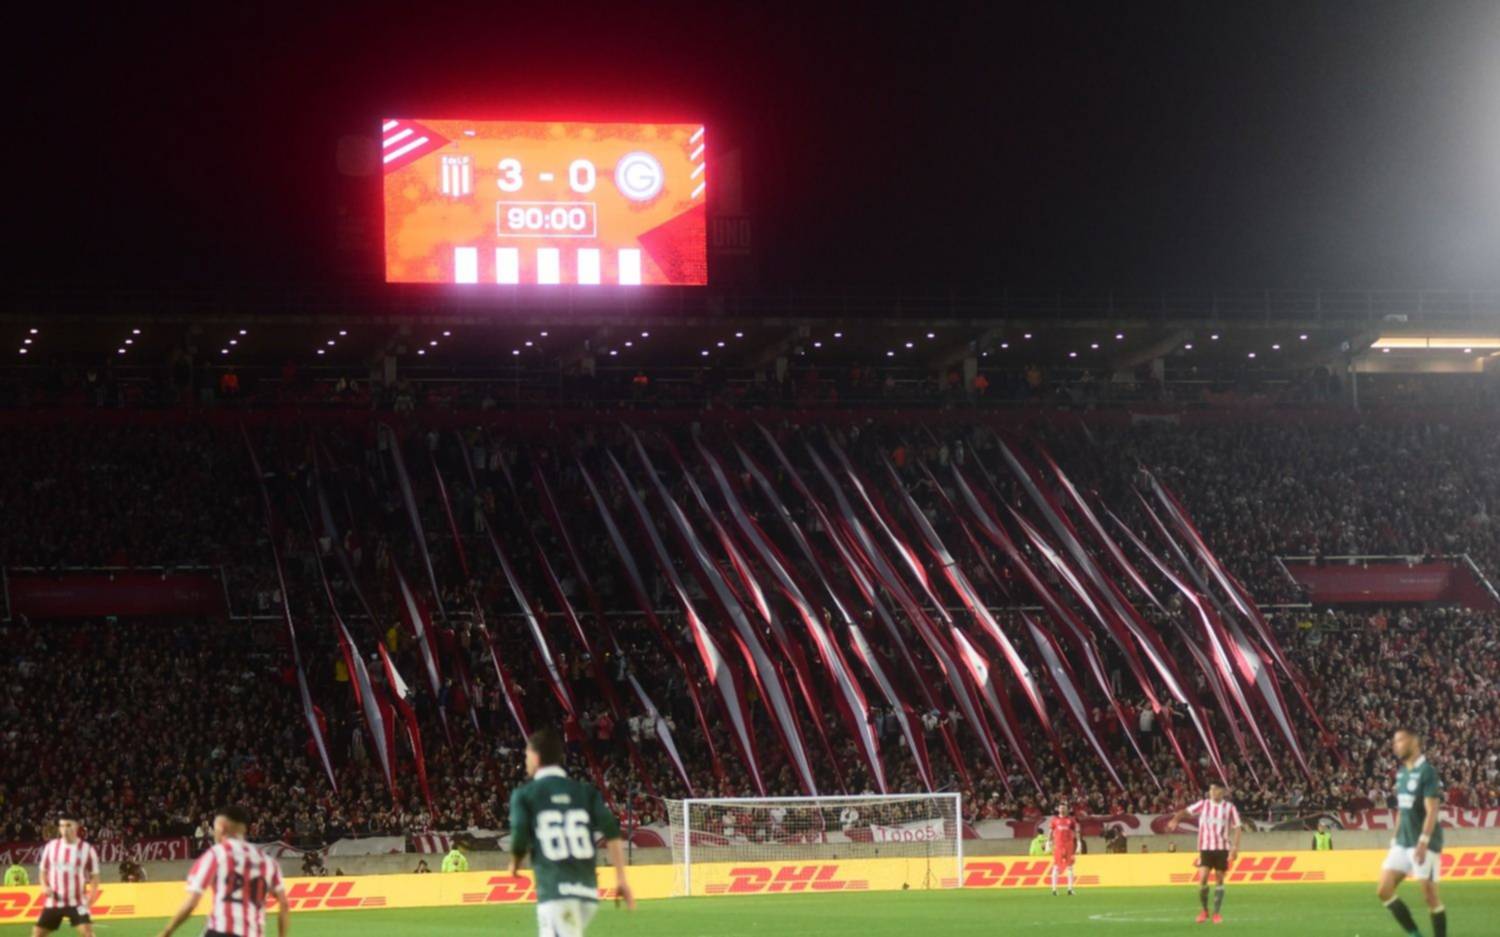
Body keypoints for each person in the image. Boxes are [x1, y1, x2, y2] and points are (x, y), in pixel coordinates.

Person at [508, 727, 634, 937]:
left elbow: (520, 836)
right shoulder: (585, 791)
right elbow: (612, 830)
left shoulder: (525, 795)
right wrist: (621, 878)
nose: (526, 761)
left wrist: (514, 864)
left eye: (527, 756)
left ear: (536, 758)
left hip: (556, 891)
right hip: (587, 893)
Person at [156, 805, 287, 937]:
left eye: (215, 829)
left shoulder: (216, 855)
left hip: (220, 931)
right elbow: (284, 903)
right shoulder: (268, 862)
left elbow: (192, 902)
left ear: (222, 827)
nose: (214, 833)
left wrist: (167, 931)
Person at [1377, 728, 1447, 937]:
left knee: (1429, 897)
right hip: (1402, 842)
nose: (1395, 745)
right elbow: (1402, 810)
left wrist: (1423, 842)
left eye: (1400, 740)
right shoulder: (1401, 773)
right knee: (1384, 890)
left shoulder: (1427, 772)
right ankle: (1416, 935)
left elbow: (1432, 809)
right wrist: (1394, 838)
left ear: (1414, 742)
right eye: (1394, 741)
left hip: (1425, 843)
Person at [1167, 782, 1242, 924]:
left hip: (1222, 848)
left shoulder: (1229, 808)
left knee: (1219, 879)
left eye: (1216, 789)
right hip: (1205, 848)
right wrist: (1175, 819)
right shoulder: (1203, 804)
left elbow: (1238, 828)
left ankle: (1216, 913)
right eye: (1211, 789)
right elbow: (1185, 812)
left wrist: (1235, 848)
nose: (1212, 792)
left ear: (1222, 791)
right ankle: (1204, 911)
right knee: (1202, 879)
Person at [33, 814, 100, 937]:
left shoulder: (87, 849)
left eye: (68, 825)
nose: (65, 829)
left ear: (76, 827)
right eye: (62, 826)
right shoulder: (51, 847)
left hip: (78, 902)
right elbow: (43, 871)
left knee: (87, 933)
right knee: (37, 934)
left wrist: (92, 894)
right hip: (54, 901)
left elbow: (94, 875)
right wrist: (44, 886)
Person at [1048, 804, 1077, 896]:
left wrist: (1078, 843)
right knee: (1056, 866)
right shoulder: (1054, 820)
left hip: (1069, 845)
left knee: (1070, 867)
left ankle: (1070, 889)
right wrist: (1048, 842)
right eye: (1061, 808)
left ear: (1067, 809)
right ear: (1058, 809)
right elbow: (1050, 831)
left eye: (1064, 808)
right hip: (1058, 845)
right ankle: (1054, 889)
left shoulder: (1071, 820)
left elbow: (1075, 832)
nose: (1062, 809)